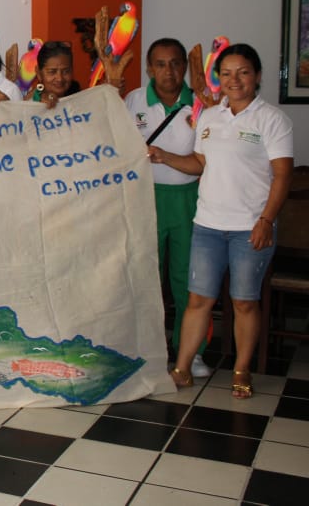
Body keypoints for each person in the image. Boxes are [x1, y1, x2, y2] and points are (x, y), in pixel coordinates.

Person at [163, 43, 293, 399]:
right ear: (218, 78)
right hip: (207, 225)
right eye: (226, 73)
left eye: (243, 72)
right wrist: (164, 157)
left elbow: (283, 175)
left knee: (244, 301)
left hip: (250, 227)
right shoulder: (209, 116)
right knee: (198, 300)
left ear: (257, 76)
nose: (234, 80)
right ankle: (182, 369)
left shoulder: (272, 119)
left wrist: (266, 220)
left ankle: (241, 369)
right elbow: (199, 164)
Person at [125, 39, 209, 377]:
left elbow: (205, 159)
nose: (168, 71)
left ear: (184, 67)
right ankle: (148, 351)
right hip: (144, 199)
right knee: (147, 278)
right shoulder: (133, 101)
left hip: (188, 199)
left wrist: (164, 156)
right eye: (160, 64)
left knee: (187, 279)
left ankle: (192, 352)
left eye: (175, 63)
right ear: (149, 69)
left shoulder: (201, 103)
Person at [31, 42, 82, 108]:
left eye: (66, 71)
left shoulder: (82, 100)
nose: (60, 78)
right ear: (39, 73)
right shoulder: (29, 105)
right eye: (52, 72)